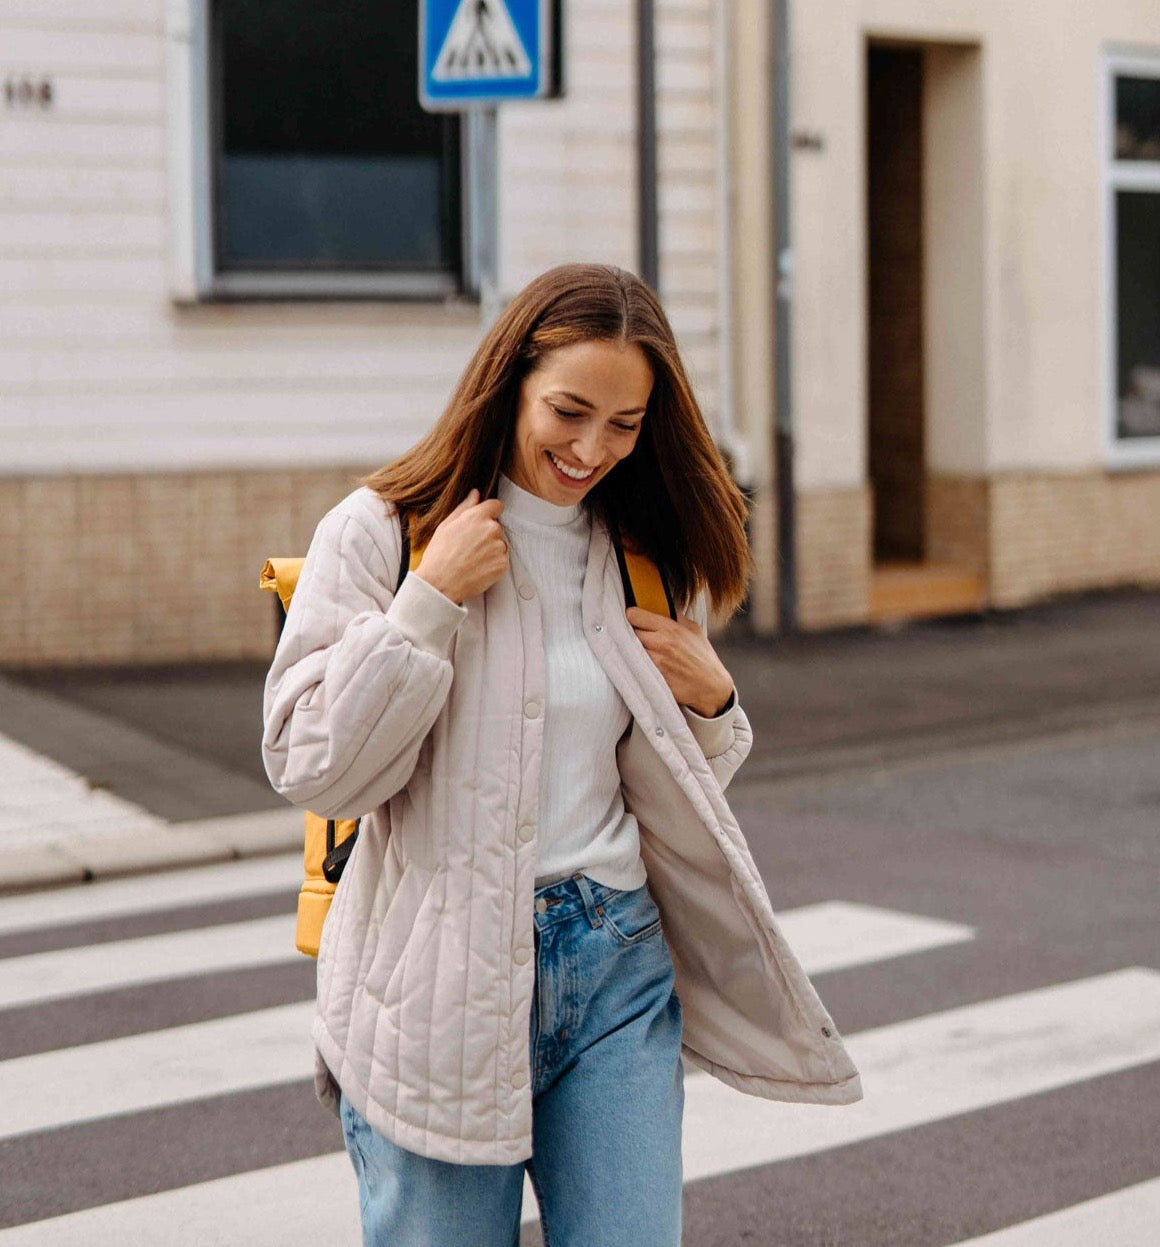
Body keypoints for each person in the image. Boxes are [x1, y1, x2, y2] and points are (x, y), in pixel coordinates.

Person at [262, 263, 860, 1247]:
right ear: (511, 384)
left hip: (615, 959)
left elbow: (661, 784)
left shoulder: (643, 554)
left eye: (623, 425)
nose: (590, 449)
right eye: (568, 411)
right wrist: (429, 606)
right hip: (434, 975)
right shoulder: (384, 533)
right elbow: (312, 764)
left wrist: (713, 702)